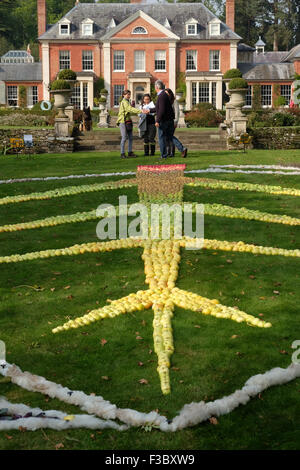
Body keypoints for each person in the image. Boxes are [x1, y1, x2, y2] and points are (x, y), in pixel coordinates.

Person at [117, 90, 145, 159]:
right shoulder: (124, 102)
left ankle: (130, 152)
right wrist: (141, 111)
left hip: (128, 121)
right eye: (127, 94)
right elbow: (129, 109)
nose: (128, 96)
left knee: (130, 138)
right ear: (123, 95)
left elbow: (129, 110)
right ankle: (122, 153)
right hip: (123, 121)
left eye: (129, 94)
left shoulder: (127, 101)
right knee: (124, 138)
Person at [152, 80, 175, 159]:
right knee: (169, 136)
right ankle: (181, 148)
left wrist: (157, 120)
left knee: (161, 138)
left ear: (157, 87)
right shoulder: (164, 95)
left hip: (164, 120)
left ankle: (163, 155)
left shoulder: (161, 95)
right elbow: (158, 108)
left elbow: (161, 110)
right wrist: (149, 110)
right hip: (168, 119)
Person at [165, 88, 187, 158]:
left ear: (170, 94)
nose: (166, 95)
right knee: (168, 138)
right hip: (166, 122)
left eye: (167, 93)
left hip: (172, 122)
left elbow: (177, 112)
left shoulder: (174, 101)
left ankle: (181, 148)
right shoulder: (165, 101)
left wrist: (176, 122)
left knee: (170, 136)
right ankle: (170, 153)